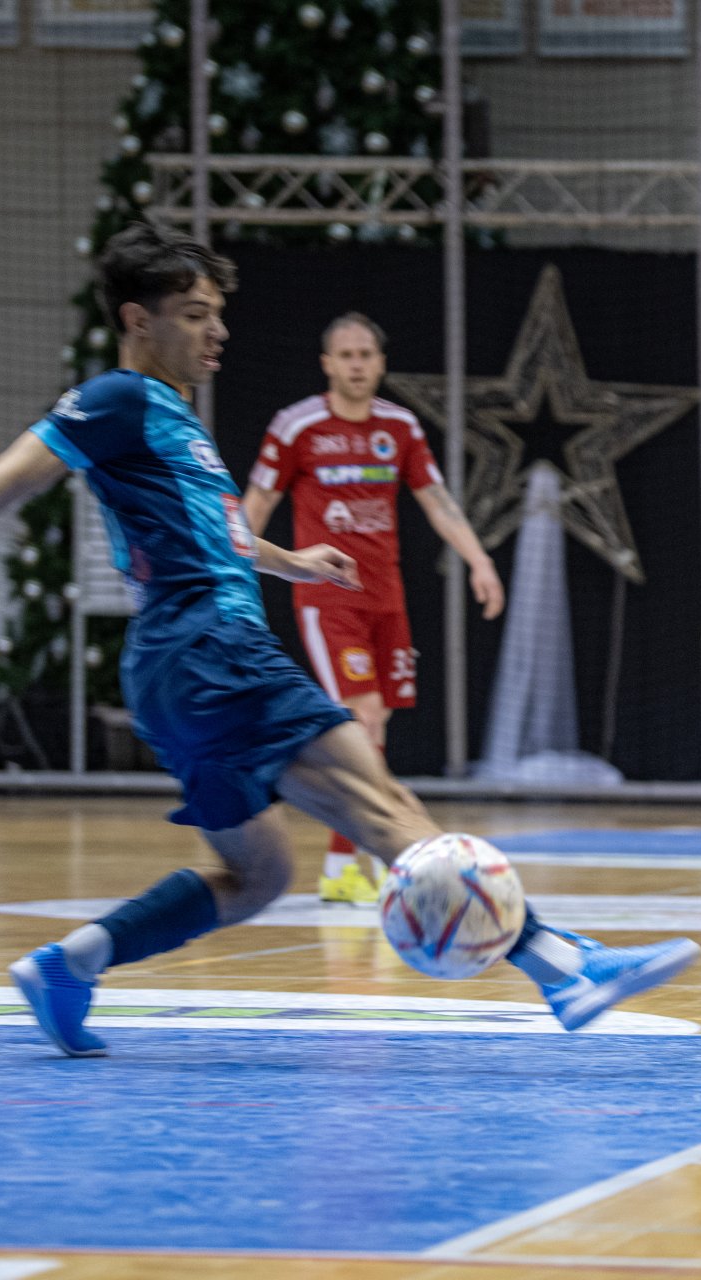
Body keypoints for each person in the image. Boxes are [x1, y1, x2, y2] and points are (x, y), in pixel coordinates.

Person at [0, 222, 698, 1057]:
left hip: (173, 670)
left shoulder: (167, 415)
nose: (219, 332)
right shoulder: (117, 399)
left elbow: (217, 532)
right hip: (212, 649)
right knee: (383, 805)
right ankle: (564, 968)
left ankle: (70, 964)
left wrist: (290, 562)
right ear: (138, 320)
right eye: (195, 314)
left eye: (219, 313)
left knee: (257, 877)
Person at [242, 313, 505, 905]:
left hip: (386, 597)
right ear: (327, 364)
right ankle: (361, 862)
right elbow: (256, 503)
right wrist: (233, 574)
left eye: (366, 354)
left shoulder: (400, 426)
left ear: (381, 363)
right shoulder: (297, 425)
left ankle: (346, 863)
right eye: (346, 355)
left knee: (375, 723)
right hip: (327, 597)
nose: (357, 365)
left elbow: (437, 501)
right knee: (359, 716)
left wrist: (479, 561)